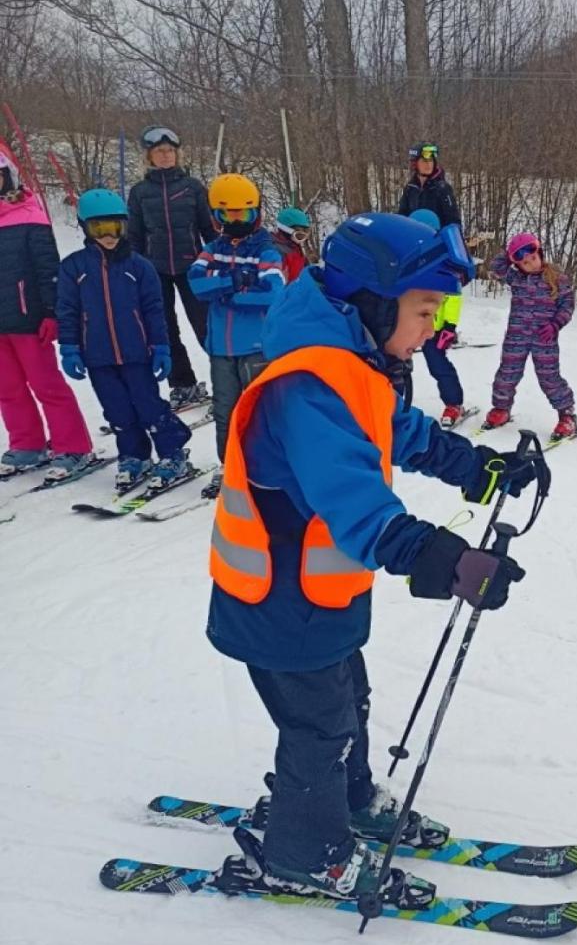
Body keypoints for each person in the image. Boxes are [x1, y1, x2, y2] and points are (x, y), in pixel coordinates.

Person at [204, 211, 545, 901]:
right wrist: (447, 559)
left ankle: (348, 800)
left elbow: (401, 430)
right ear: (372, 301)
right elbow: (355, 505)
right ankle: (305, 852)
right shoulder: (309, 387)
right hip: (275, 601)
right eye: (426, 310)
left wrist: (478, 467)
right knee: (318, 725)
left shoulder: (349, 365)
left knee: (346, 702)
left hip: (311, 596)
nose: (434, 329)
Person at [57, 189, 193, 491]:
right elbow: (66, 311)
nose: (109, 235)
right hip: (97, 356)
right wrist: (69, 348)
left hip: (137, 353)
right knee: (116, 409)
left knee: (149, 405)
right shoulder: (74, 268)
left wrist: (161, 347)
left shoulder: (139, 266)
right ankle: (134, 455)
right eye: (99, 228)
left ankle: (173, 453)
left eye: (115, 227)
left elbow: (155, 310)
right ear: (86, 229)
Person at [0, 141, 94, 483]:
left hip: (28, 320)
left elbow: (47, 270)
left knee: (46, 384)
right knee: (7, 388)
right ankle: (27, 443)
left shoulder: (30, 215)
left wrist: (52, 313)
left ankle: (73, 446)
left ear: (8, 178)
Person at [187, 173, 284, 498]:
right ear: (216, 215)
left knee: (260, 407)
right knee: (225, 408)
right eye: (228, 214)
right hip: (220, 348)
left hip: (256, 346)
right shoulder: (212, 249)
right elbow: (197, 284)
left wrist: (229, 295)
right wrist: (234, 282)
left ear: (254, 212)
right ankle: (229, 464)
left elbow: (272, 292)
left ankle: (269, 463)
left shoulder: (266, 251)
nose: (236, 220)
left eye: (242, 213)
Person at [127, 125, 214, 410]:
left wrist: (217, 259)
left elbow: (208, 228)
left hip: (193, 266)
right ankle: (183, 384)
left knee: (205, 325)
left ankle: (228, 380)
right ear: (149, 157)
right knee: (164, 330)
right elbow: (135, 235)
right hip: (155, 270)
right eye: (159, 152)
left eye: (169, 151)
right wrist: (134, 270)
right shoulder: (140, 192)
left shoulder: (192, 187)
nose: (165, 156)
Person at [483, 231, 577, 441]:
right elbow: (495, 267)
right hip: (516, 338)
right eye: (525, 262)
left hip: (544, 340)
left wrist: (555, 325)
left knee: (549, 378)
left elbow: (567, 306)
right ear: (517, 265)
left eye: (533, 258)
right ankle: (501, 409)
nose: (531, 264)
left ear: (540, 254)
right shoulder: (516, 278)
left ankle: (567, 415)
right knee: (507, 374)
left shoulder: (558, 278)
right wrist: (508, 255)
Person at [408, 208, 467, 426]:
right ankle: (390, 405)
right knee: (394, 366)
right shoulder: (404, 256)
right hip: (407, 323)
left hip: (435, 327)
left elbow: (453, 297)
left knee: (438, 365)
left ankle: (454, 403)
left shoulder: (445, 260)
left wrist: (449, 326)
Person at [397, 141, 462, 229]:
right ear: (415, 164)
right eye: (424, 161)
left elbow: (453, 222)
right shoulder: (410, 188)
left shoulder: (442, 189)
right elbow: (401, 217)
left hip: (436, 240)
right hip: (414, 239)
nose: (428, 164)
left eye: (431, 161)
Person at [270, 206, 312, 284]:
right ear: (285, 230)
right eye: (299, 235)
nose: (302, 240)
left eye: (305, 232)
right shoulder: (275, 251)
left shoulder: (295, 247)